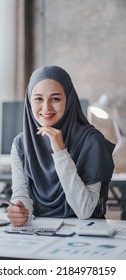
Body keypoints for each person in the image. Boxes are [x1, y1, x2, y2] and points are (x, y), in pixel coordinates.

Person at [7, 65, 115, 227]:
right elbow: (21, 193)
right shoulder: (21, 144)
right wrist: (19, 209)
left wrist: (60, 151)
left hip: (85, 236)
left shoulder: (92, 141)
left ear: (69, 100)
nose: (46, 108)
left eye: (55, 98)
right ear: (29, 102)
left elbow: (85, 210)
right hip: (39, 232)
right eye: (38, 99)